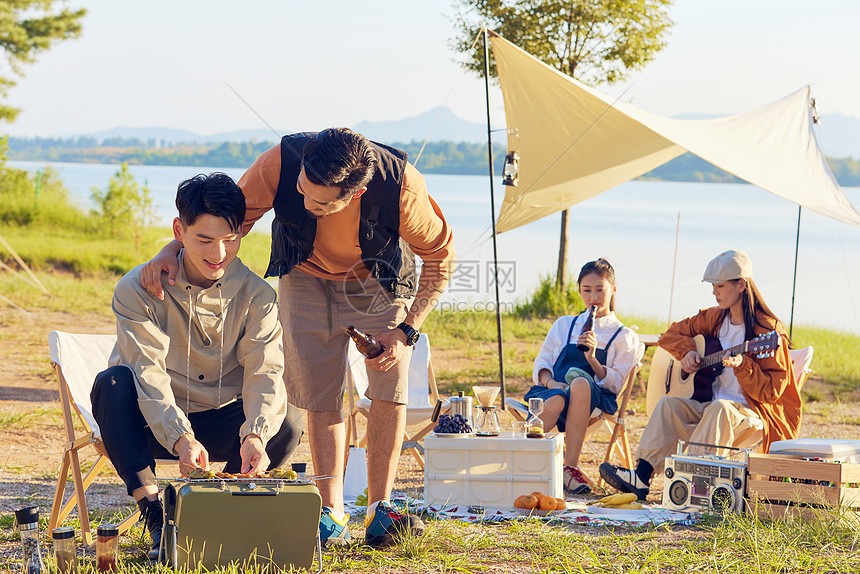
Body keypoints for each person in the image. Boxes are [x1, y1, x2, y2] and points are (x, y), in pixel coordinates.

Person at [140, 128, 455, 548]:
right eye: (303, 191)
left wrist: (407, 329)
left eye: (321, 203)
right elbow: (218, 222)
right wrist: (170, 251)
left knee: (388, 383)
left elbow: (441, 257)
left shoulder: (402, 189)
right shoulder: (280, 163)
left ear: (356, 193)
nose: (307, 204)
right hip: (305, 275)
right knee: (318, 390)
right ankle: (331, 512)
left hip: (376, 276)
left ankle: (381, 509)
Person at [90, 173, 303, 560]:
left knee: (288, 418)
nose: (218, 252)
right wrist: (179, 436)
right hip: (151, 424)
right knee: (114, 383)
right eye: (204, 239)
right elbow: (146, 372)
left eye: (230, 238)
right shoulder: (137, 289)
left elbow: (265, 370)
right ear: (179, 231)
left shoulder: (259, 297)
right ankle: (157, 517)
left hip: (222, 422)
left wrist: (255, 434)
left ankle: (234, 513)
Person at [600, 249, 800, 500]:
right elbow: (670, 335)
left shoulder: (767, 331)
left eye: (720, 286)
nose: (714, 292)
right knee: (668, 405)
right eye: (712, 286)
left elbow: (772, 392)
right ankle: (641, 477)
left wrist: (743, 366)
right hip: (710, 408)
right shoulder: (714, 318)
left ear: (741, 285)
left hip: (752, 415)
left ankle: (690, 482)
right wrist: (688, 352)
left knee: (721, 409)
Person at [527, 259, 641, 495]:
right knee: (558, 398)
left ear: (613, 290)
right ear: (579, 291)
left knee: (579, 383)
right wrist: (551, 382)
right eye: (587, 291)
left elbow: (615, 383)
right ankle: (523, 461)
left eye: (600, 290)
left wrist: (592, 359)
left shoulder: (624, 335)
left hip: (594, 399)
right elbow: (543, 361)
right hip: (554, 390)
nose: (594, 297)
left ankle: (569, 467)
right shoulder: (565, 324)